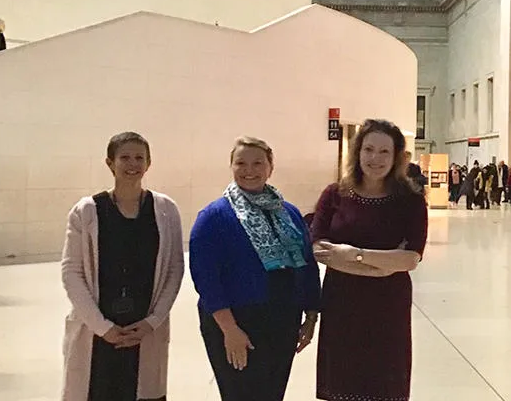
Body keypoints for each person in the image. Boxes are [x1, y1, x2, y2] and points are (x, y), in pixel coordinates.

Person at [190, 136, 321, 401]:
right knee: (241, 394)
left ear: (270, 167)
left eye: (258, 163)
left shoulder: (289, 213)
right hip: (237, 324)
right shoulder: (214, 216)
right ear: (231, 166)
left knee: (272, 393)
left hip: (282, 320)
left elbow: (307, 263)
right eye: (241, 163)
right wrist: (230, 329)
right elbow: (206, 279)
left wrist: (311, 315)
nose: (249, 170)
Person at [61, 132, 185, 401]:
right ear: (110, 163)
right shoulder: (87, 211)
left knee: (144, 391)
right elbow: (72, 272)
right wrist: (102, 327)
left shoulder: (165, 210)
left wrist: (152, 322)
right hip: (98, 330)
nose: (133, 164)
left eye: (139, 158)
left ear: (148, 164)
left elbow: (175, 269)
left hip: (144, 329)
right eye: (125, 157)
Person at [310, 119, 428, 401]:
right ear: (357, 152)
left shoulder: (410, 200)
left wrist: (354, 255)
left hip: (388, 306)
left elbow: (411, 258)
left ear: (397, 156)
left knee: (384, 382)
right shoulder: (335, 194)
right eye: (369, 149)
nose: (375, 158)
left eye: (384, 152)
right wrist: (381, 266)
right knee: (342, 381)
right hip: (342, 302)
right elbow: (319, 248)